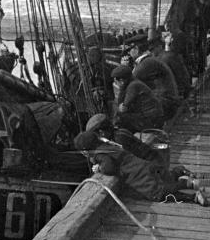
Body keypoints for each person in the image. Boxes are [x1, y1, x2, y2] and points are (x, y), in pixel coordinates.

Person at [74, 130, 209, 205]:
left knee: (158, 194)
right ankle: (179, 173)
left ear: (86, 151)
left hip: (138, 175)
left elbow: (109, 167)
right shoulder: (110, 145)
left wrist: (99, 169)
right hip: (145, 165)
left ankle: (190, 192)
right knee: (164, 178)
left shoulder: (99, 154)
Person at [165, 0, 203, 80]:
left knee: (184, 61)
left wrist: (173, 32)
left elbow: (180, 15)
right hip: (186, 33)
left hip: (183, 34)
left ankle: (187, 86)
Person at [111, 65, 163, 132]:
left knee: (121, 117)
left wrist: (121, 88)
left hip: (152, 121)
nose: (115, 83)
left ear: (121, 81)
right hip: (154, 118)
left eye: (115, 81)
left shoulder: (133, 86)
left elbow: (123, 108)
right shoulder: (134, 82)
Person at [133, 55, 181, 120]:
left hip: (166, 104)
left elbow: (130, 80)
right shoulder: (150, 61)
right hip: (168, 101)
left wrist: (124, 67)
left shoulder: (147, 62)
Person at [158, 32, 191, 99]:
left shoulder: (160, 56)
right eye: (171, 38)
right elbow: (183, 76)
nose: (173, 39)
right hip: (175, 93)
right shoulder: (174, 57)